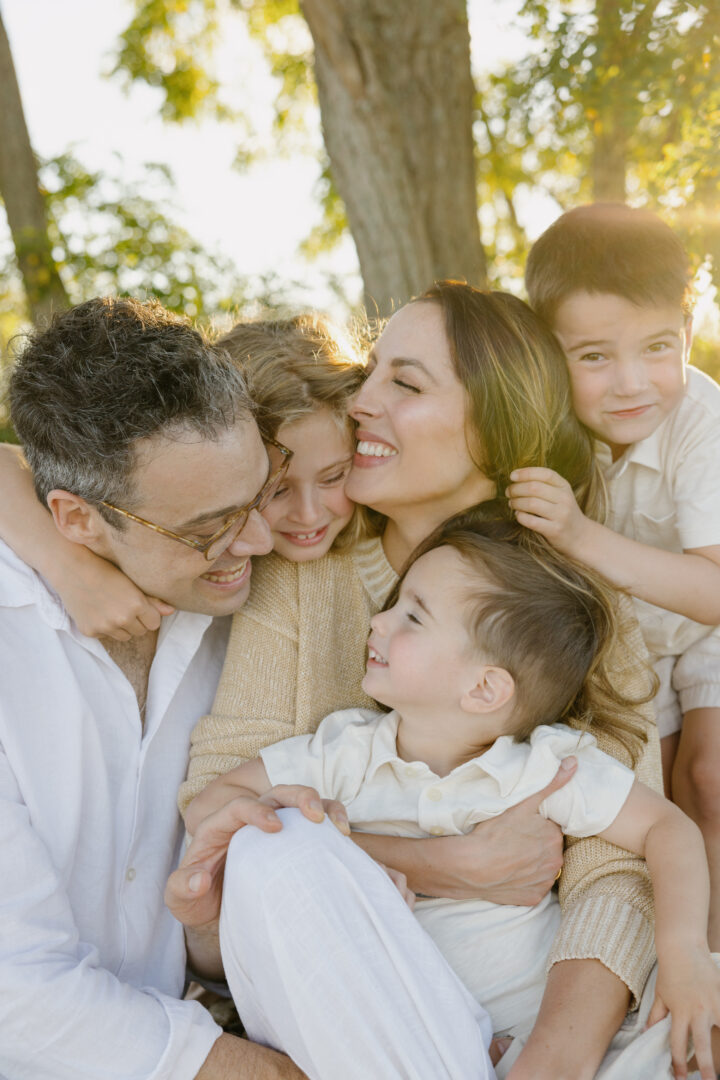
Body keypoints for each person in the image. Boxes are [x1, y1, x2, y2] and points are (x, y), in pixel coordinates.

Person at [176, 284, 662, 1080]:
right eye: (371, 373)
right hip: (353, 1003)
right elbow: (223, 818)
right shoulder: (305, 571)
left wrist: (554, 1058)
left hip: (544, 1016)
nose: (362, 402)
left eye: (403, 383)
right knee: (275, 851)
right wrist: (449, 864)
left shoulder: (572, 593)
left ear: (493, 428)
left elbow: (617, 865)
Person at [185, 517, 720, 1080]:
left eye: (412, 616)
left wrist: (684, 951)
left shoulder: (543, 766)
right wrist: (312, 832)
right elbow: (213, 805)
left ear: (484, 688)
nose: (379, 620)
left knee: (697, 1037)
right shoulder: (345, 752)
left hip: (556, 1041)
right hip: (418, 1039)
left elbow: (668, 829)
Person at [0, 296, 312, 1080]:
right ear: (75, 519)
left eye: (261, 491)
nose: (260, 540)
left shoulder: (253, 613)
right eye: (208, 529)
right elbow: (17, 994)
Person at [513, 203, 720, 946]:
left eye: (658, 347)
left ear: (689, 331)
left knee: (709, 781)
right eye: (595, 356)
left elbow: (713, 592)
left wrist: (580, 534)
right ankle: (667, 962)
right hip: (628, 640)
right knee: (649, 800)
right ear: (549, 350)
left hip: (705, 624)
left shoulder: (703, 423)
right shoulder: (544, 425)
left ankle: (709, 967)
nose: (633, 383)